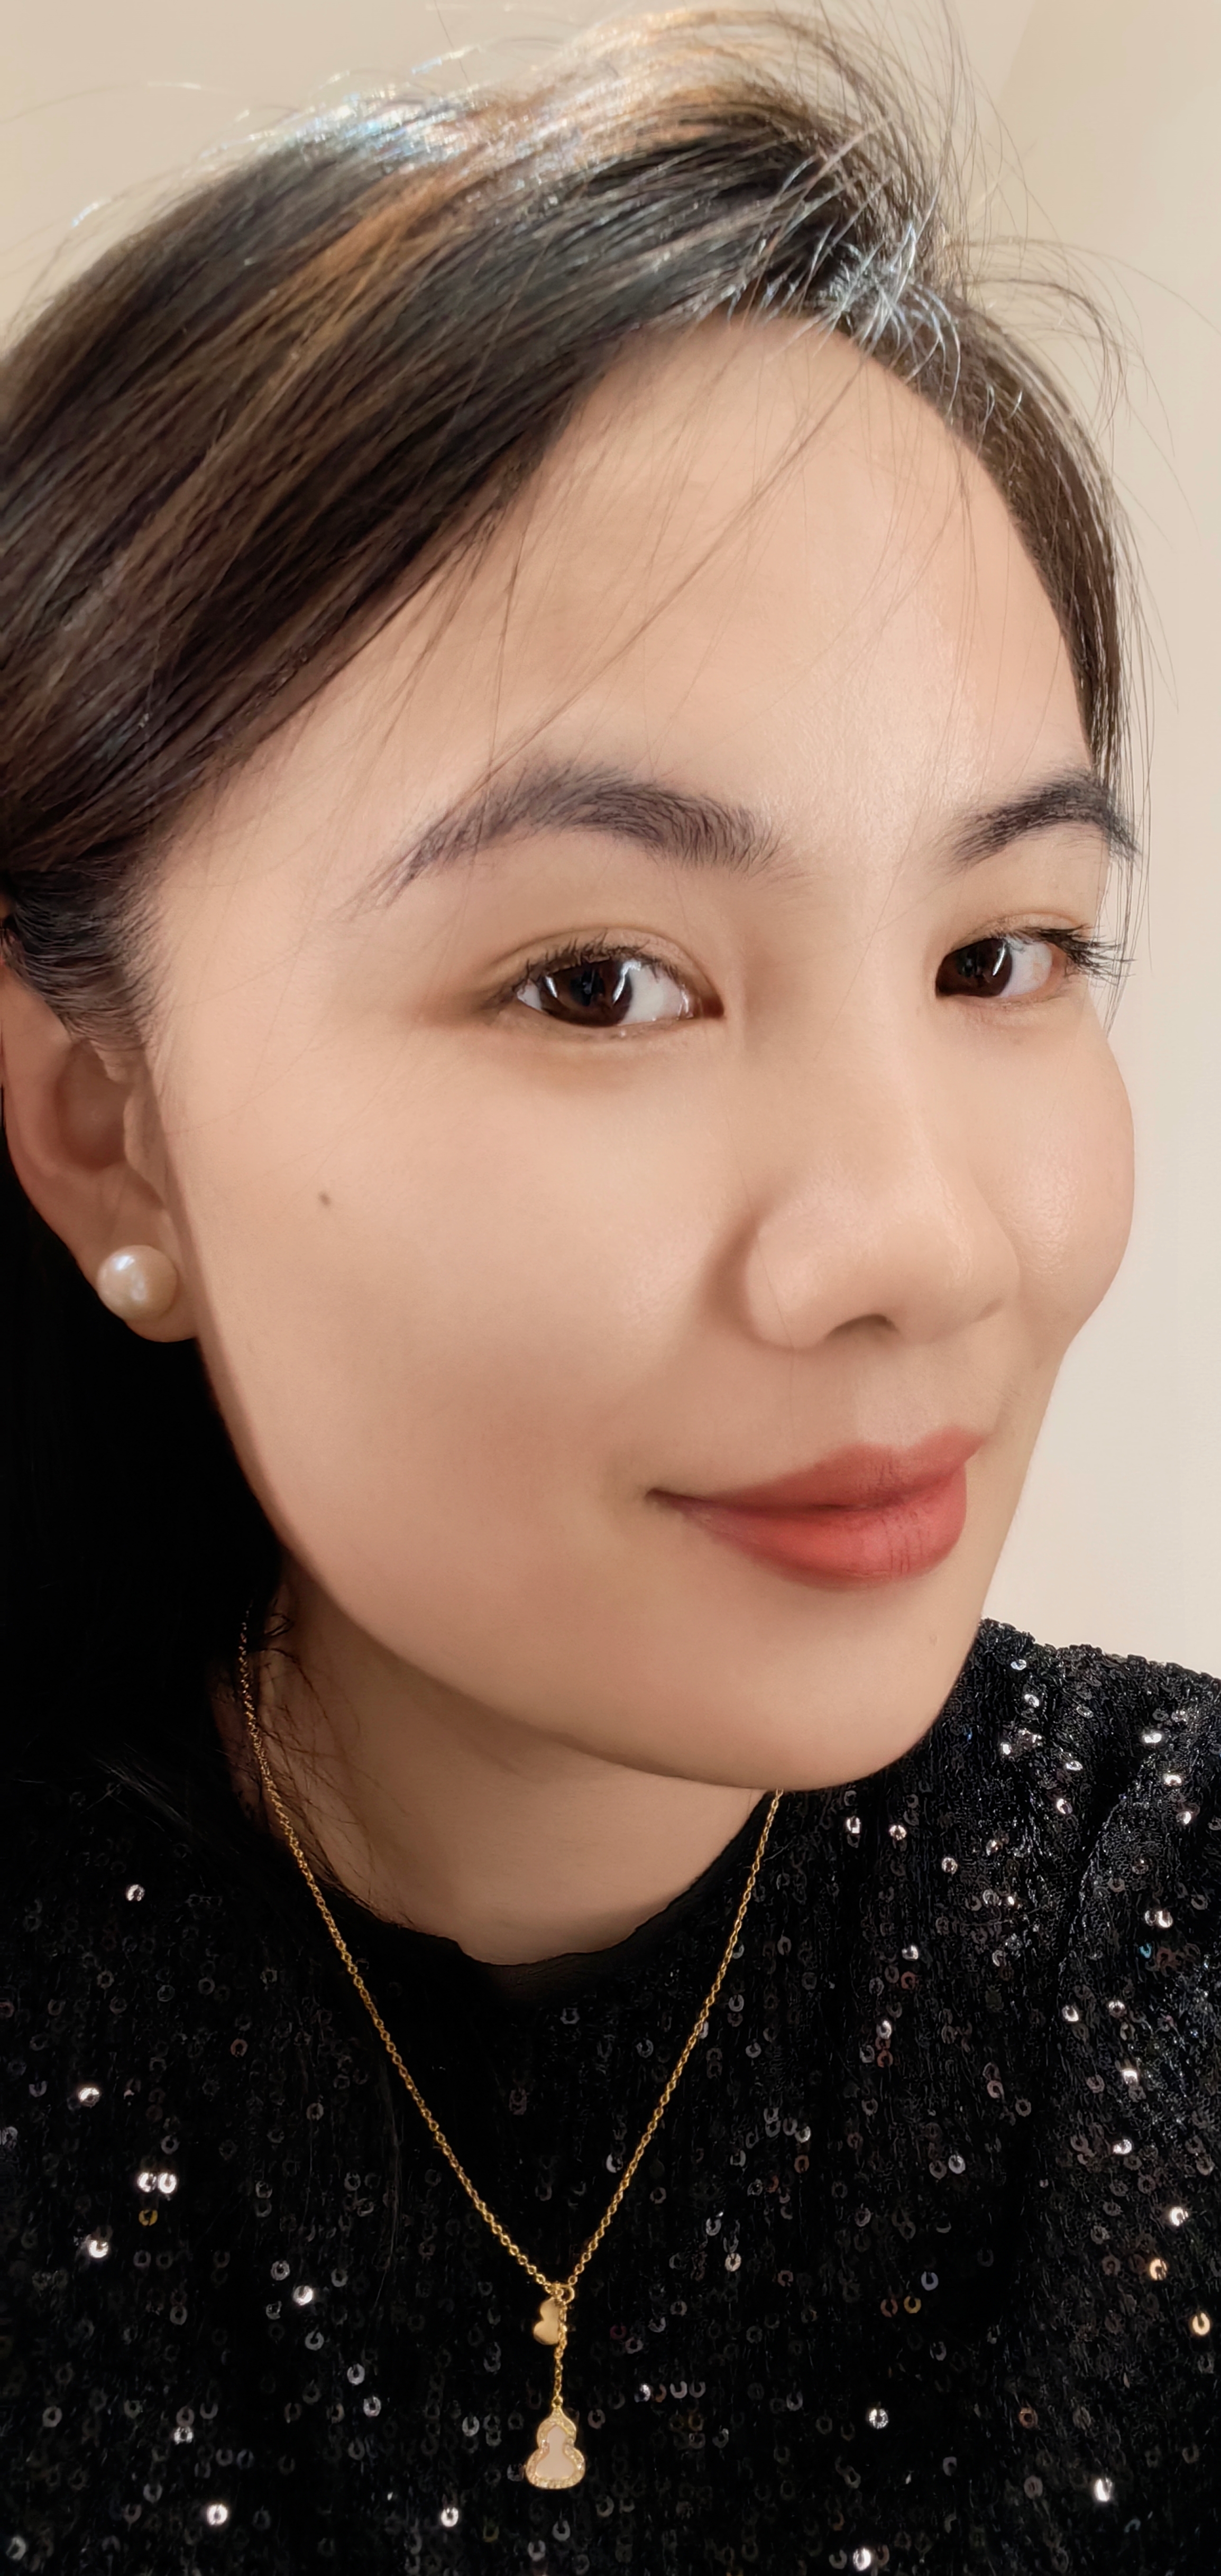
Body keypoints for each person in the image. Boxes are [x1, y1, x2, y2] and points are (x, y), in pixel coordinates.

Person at [1, 11, 1217, 2571]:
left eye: (998, 955)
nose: (917, 1240)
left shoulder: (1160, 1947)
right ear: (107, 1126)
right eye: (596, 983)